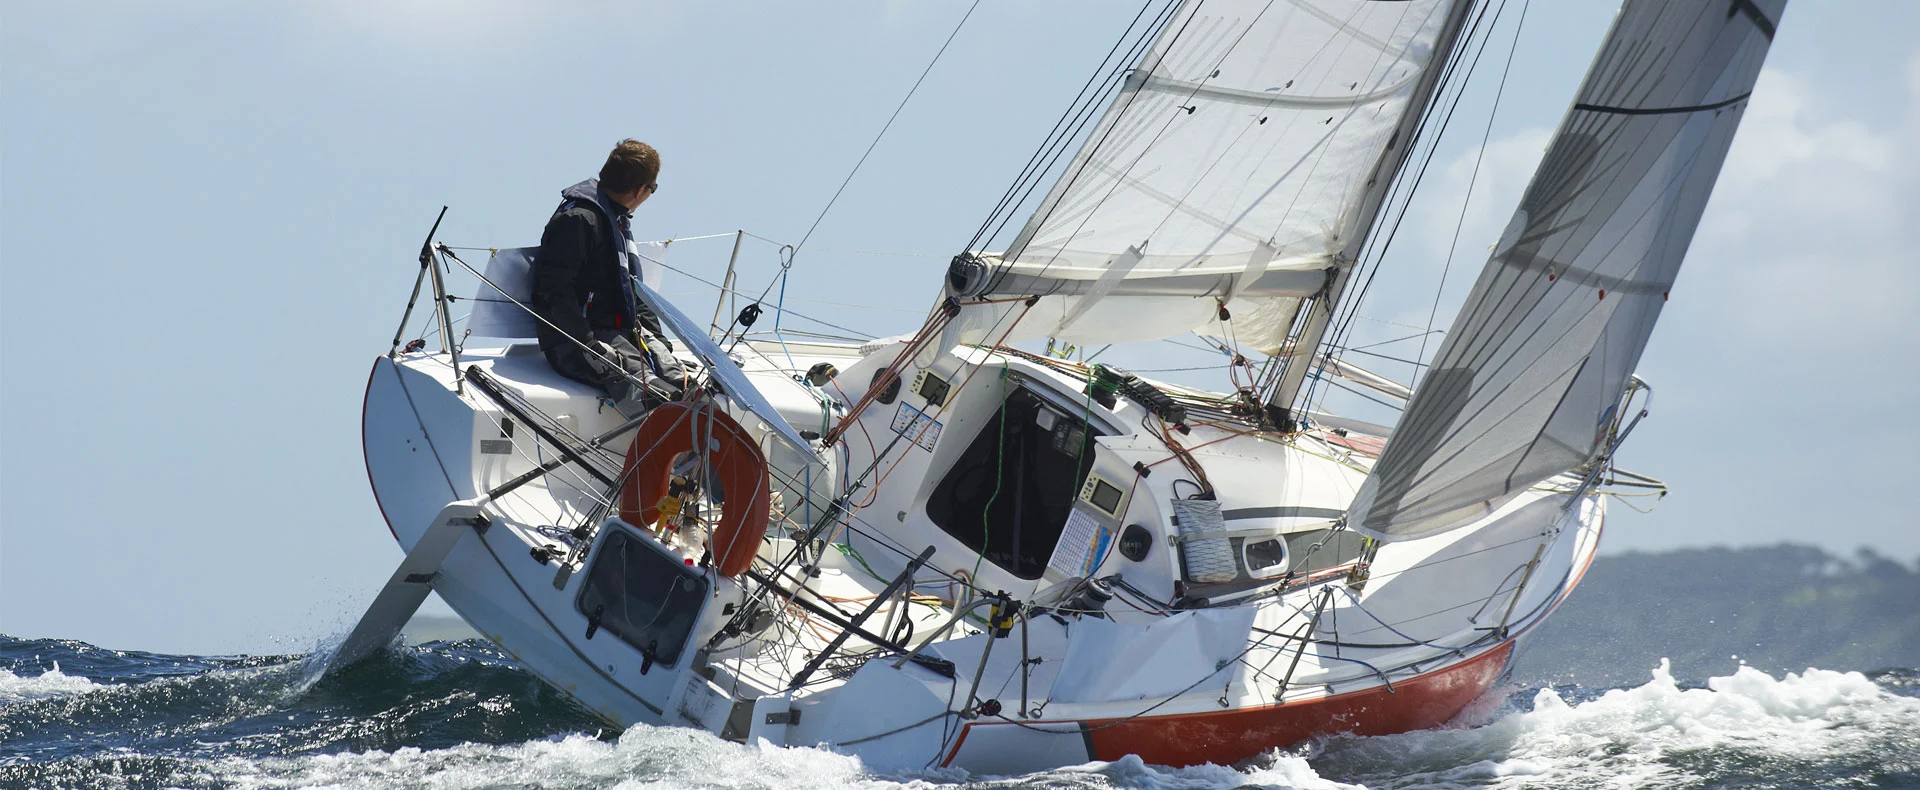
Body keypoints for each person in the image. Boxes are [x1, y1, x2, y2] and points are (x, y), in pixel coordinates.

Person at [532, 140, 685, 417]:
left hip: (619, 333)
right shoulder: (579, 220)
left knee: (685, 385)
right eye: (653, 189)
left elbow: (634, 292)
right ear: (641, 190)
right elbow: (554, 291)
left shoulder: (614, 217)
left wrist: (661, 343)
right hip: (574, 341)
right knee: (659, 398)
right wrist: (588, 346)